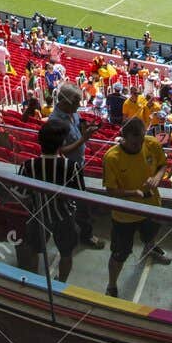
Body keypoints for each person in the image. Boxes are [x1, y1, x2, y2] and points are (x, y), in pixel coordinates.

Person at [101, 117, 172, 297]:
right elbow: (110, 190)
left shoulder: (152, 143)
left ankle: (150, 247)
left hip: (152, 206)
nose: (138, 146)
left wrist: (157, 177)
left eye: (141, 140)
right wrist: (133, 193)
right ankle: (111, 285)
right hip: (124, 216)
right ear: (123, 137)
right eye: (134, 143)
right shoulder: (111, 158)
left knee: (151, 234)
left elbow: (163, 165)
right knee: (119, 253)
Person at [16, 119, 82, 282]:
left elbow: (21, 194)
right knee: (66, 253)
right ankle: (61, 283)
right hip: (64, 215)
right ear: (62, 143)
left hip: (37, 214)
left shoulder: (28, 165)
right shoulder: (72, 166)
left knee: (34, 249)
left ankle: (34, 282)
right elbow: (80, 195)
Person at [48, 84, 104, 249]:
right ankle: (86, 235)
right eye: (77, 102)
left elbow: (78, 128)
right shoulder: (55, 121)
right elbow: (61, 150)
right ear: (67, 102)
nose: (80, 105)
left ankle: (81, 222)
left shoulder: (73, 113)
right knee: (81, 203)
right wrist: (83, 139)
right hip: (68, 170)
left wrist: (85, 129)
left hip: (78, 164)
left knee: (80, 202)